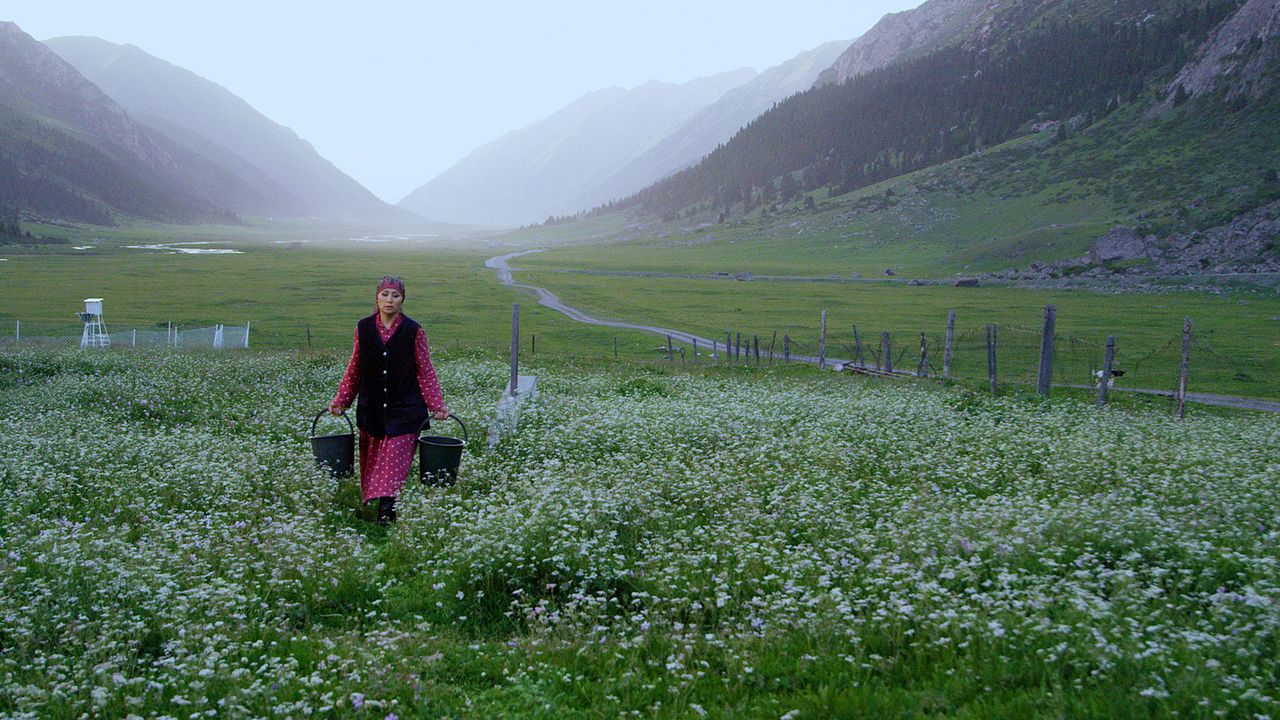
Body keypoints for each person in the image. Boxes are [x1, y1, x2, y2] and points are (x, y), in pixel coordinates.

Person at [329, 276, 449, 525]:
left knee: (395, 460)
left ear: (403, 299)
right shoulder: (363, 328)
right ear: (377, 297)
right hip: (372, 409)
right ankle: (383, 506)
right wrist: (342, 400)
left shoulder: (413, 330)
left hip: (406, 409)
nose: (389, 300)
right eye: (385, 295)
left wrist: (437, 405)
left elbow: (425, 370)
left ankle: (387, 512)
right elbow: (355, 368)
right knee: (375, 461)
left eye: (395, 295)